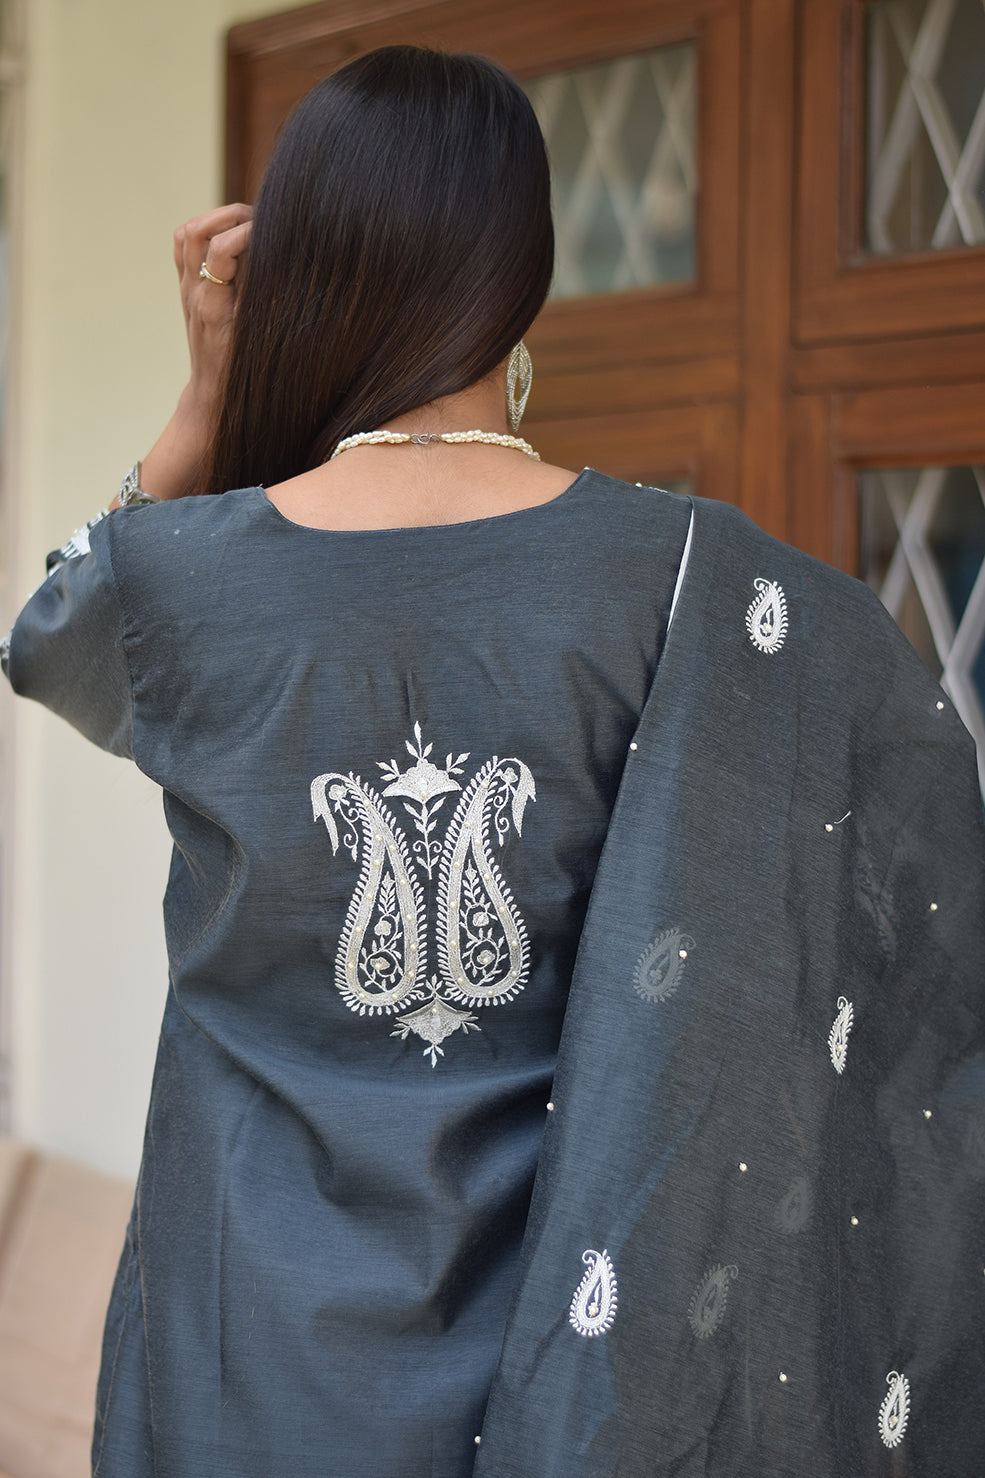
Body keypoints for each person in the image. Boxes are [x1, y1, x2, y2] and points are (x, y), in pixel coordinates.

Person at [3, 44, 984, 1478]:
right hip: (592, 1386)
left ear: (308, 265)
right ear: (521, 277)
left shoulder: (177, 580)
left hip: (241, 1379)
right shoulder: (693, 582)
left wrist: (208, 389)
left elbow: (47, 639)